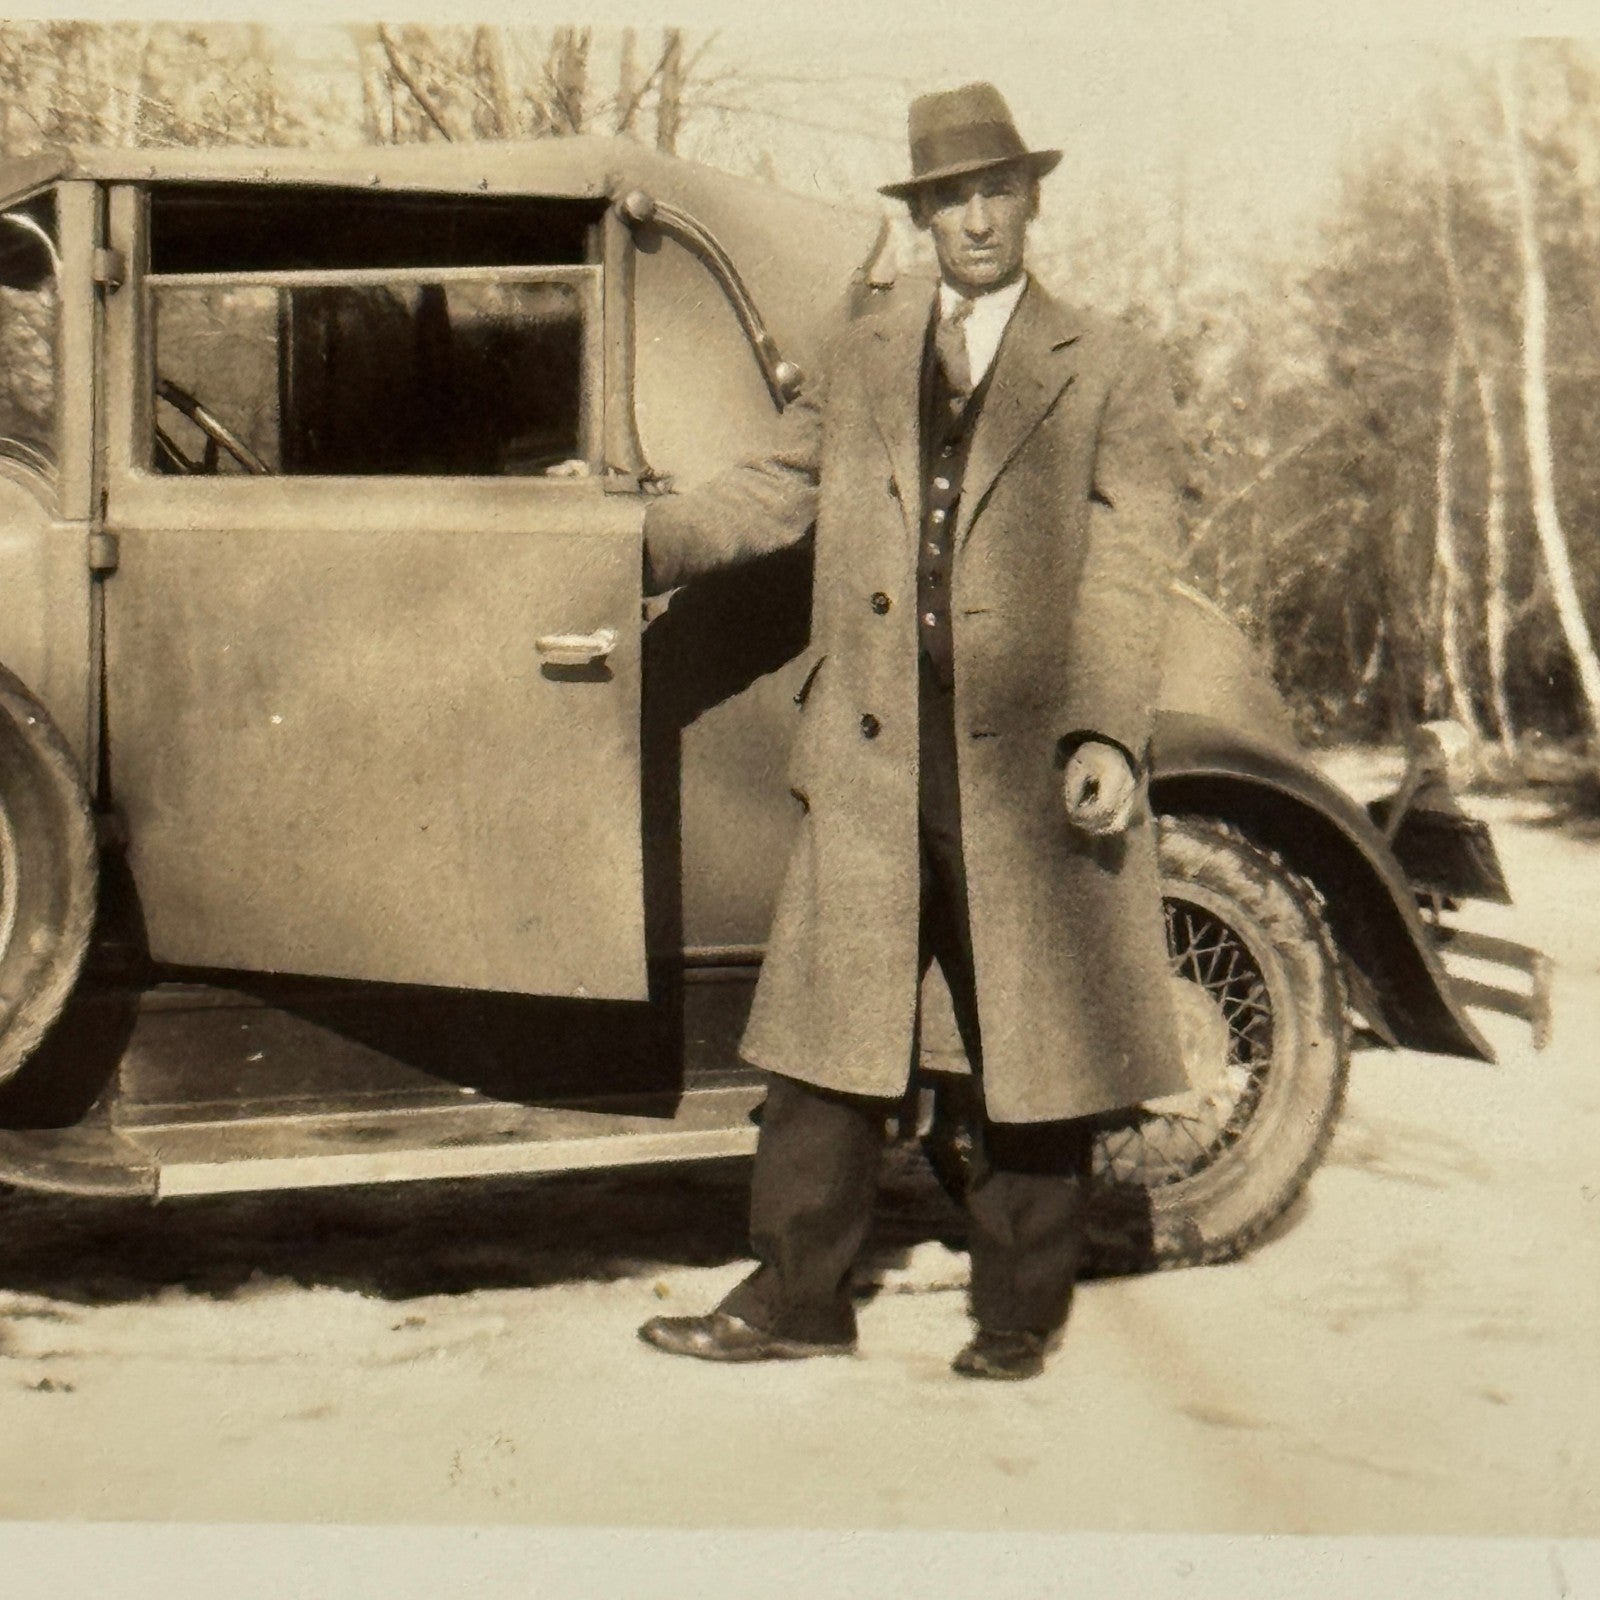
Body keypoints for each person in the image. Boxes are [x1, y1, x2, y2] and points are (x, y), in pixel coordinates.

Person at [638, 82, 1189, 1381]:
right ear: (924, 212)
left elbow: (1129, 564)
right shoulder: (867, 344)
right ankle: (797, 1295)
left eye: (998, 191)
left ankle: (1017, 1313)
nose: (978, 218)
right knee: (827, 1040)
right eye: (952, 197)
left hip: (1028, 759)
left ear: (1032, 200)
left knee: (1027, 1030)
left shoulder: (1110, 365)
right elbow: (780, 489)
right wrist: (642, 537)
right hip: (876, 748)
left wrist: (1104, 732)